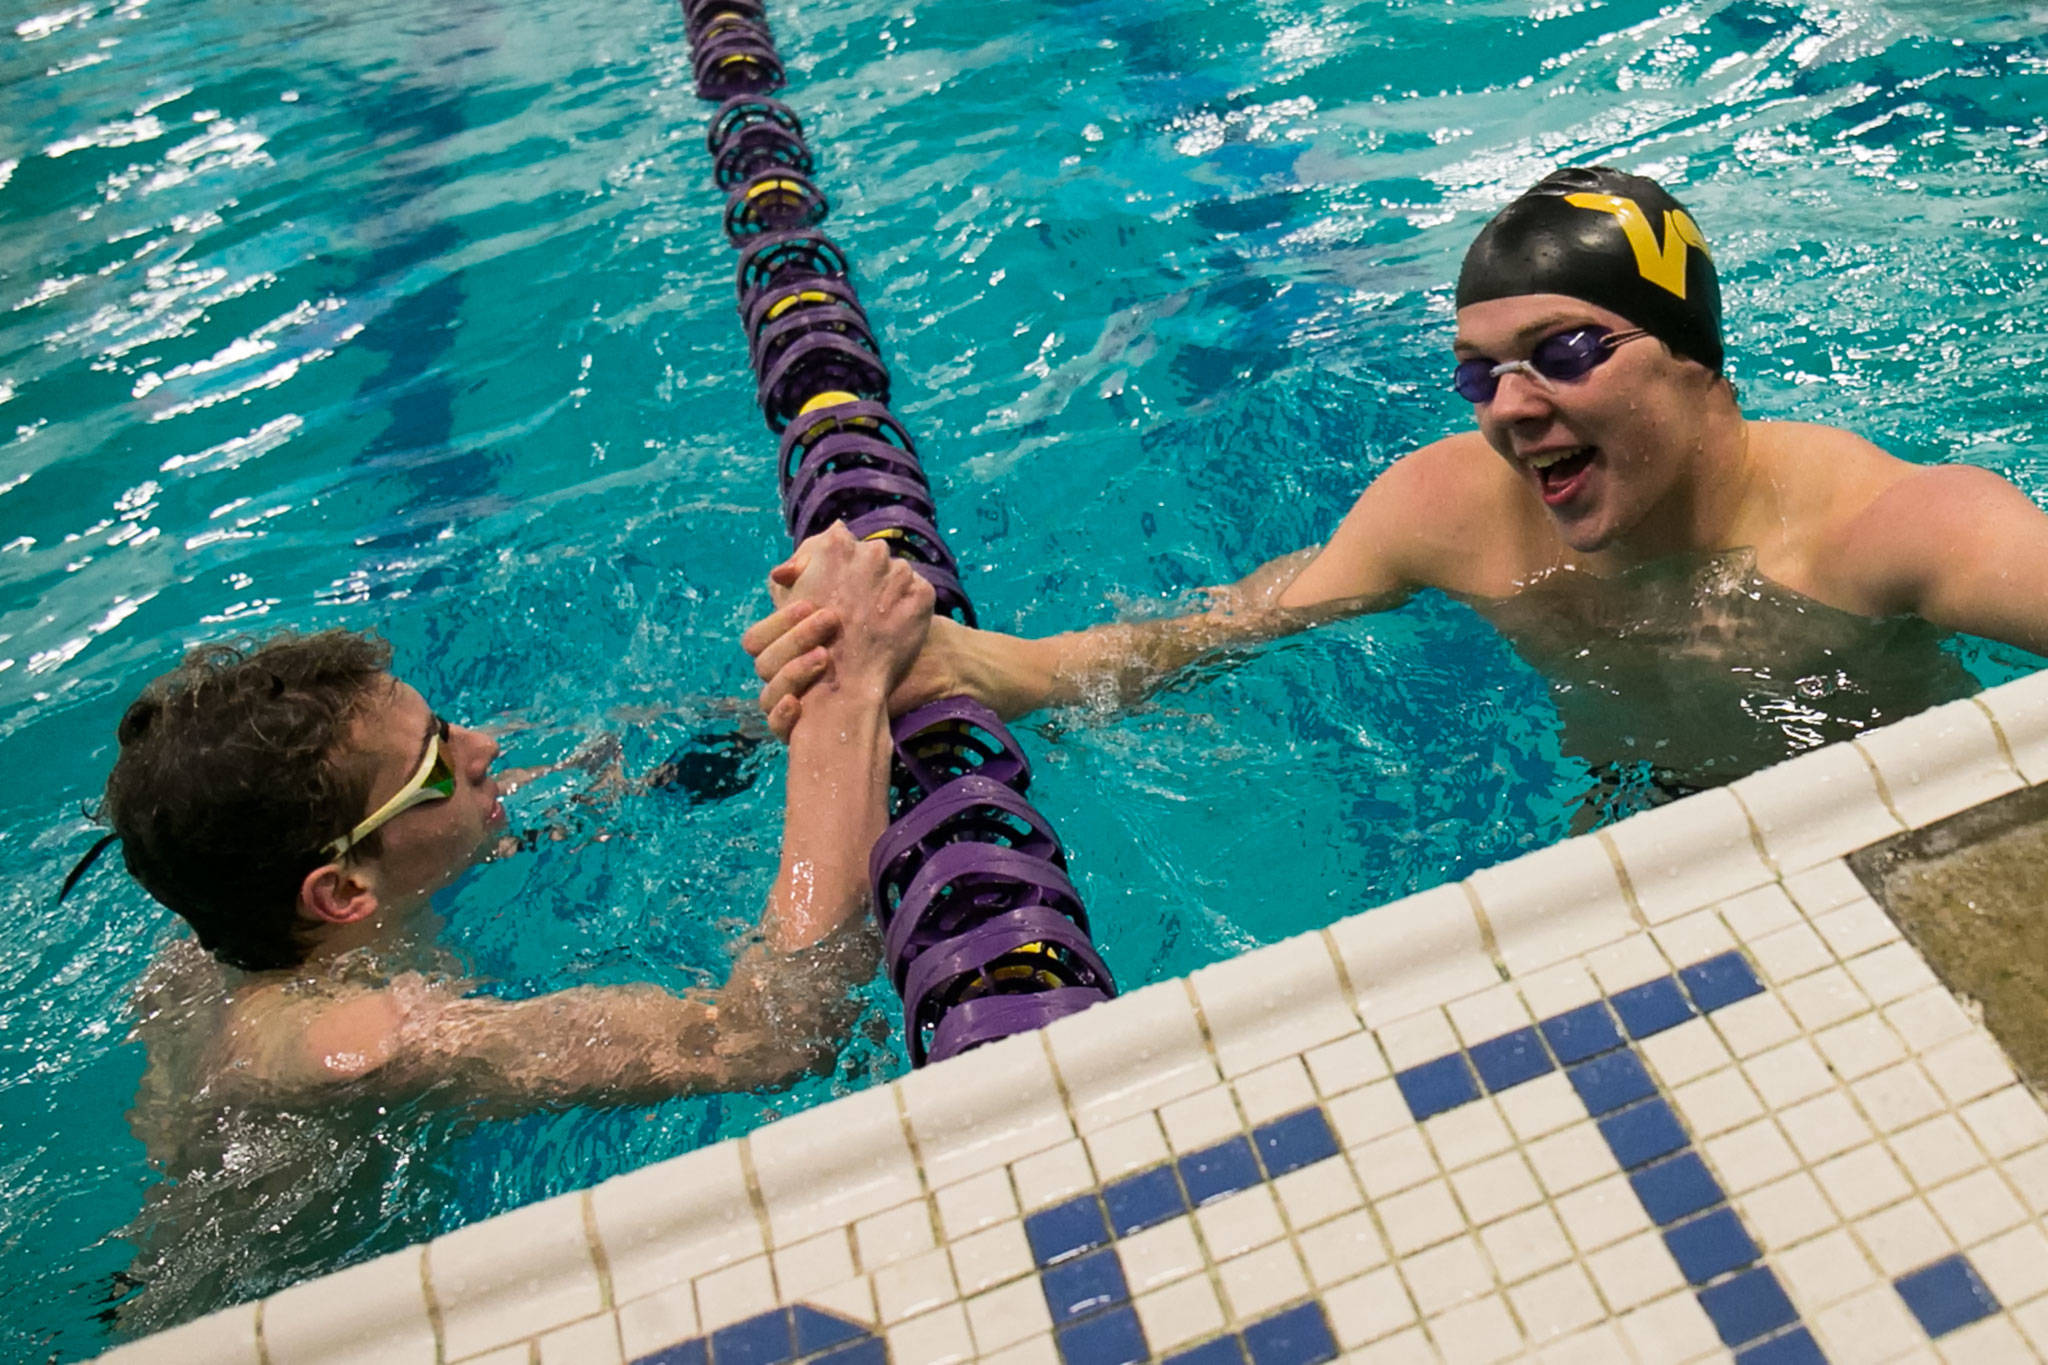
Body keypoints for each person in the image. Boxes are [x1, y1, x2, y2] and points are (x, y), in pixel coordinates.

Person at [747, 166, 2048, 803]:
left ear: (1698, 361)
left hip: (1898, 824)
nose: (1514, 410)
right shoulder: (1455, 515)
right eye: (1480, 375)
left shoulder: (1884, 531)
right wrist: (967, 665)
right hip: (1637, 821)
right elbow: (1216, 630)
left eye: (1568, 352)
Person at [96, 524, 930, 1331]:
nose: (484, 747)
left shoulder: (223, 936)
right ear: (342, 889)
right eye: (436, 761)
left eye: (447, 722)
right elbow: (767, 1037)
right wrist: (844, 692)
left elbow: (609, 776)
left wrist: (791, 674)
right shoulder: (374, 1042)